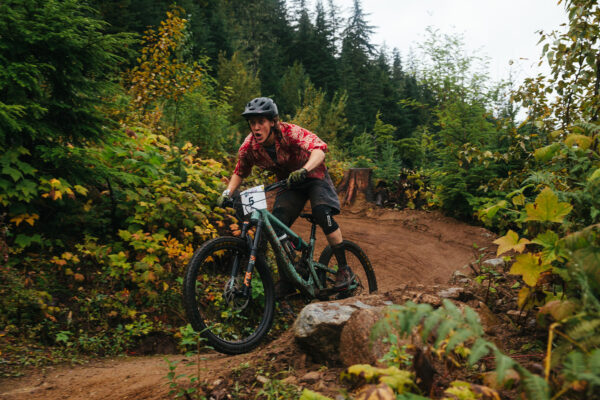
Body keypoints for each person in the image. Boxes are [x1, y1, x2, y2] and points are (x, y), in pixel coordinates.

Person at [217, 97, 354, 297]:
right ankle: (289, 278)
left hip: (314, 176)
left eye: (261, 122)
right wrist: (227, 193)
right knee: (276, 224)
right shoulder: (249, 146)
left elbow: (320, 151)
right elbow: (240, 171)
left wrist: (305, 170)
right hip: (290, 184)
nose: (256, 127)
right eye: (252, 123)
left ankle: (344, 269)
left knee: (321, 212)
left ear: (273, 121)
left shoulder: (291, 132)